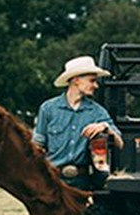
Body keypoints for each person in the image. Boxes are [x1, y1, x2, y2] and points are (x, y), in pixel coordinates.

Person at [33, 55, 124, 191]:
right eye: (92, 81)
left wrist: (106, 128)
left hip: (83, 183)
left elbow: (120, 143)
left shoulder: (97, 112)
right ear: (76, 80)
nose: (96, 86)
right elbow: (37, 146)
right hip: (52, 181)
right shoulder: (48, 109)